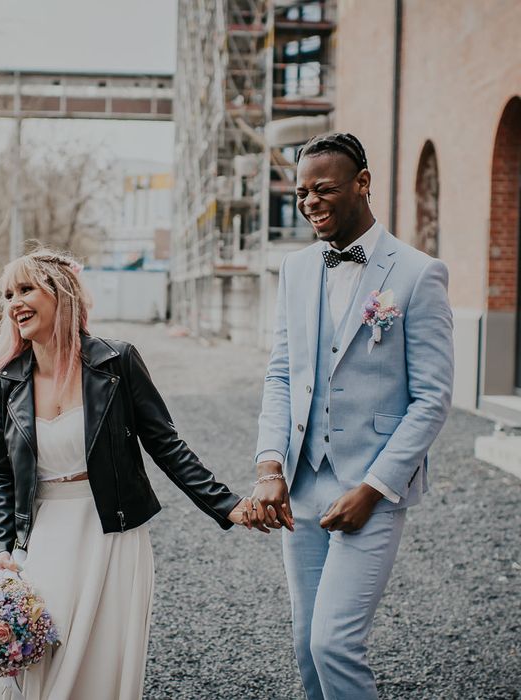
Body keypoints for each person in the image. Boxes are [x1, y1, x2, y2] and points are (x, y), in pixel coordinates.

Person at [0, 248, 258, 700]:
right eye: (8, 294)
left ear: (60, 294)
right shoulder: (6, 382)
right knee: (35, 667)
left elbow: (166, 444)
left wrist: (229, 505)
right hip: (43, 538)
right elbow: (1, 475)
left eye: (26, 289)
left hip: (112, 538)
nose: (14, 303)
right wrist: (2, 548)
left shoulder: (117, 362)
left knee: (101, 671)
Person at [249, 133, 454, 699]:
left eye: (324, 189)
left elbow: (432, 397)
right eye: (300, 192)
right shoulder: (295, 269)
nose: (310, 201)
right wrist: (270, 466)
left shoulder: (417, 273)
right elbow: (281, 374)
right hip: (303, 484)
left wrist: (373, 488)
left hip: (371, 488)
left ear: (363, 183)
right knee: (304, 645)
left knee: (334, 644)